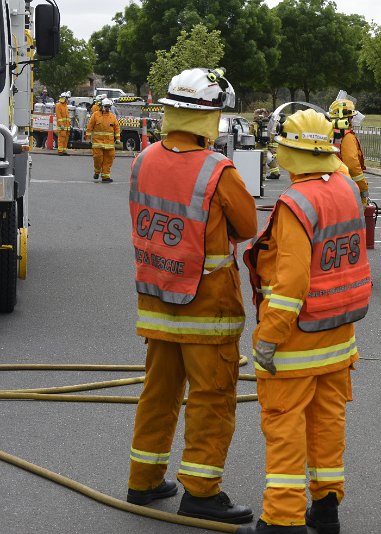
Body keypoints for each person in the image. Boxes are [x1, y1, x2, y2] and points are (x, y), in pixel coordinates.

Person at [126, 67, 257, 525]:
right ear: (210, 118)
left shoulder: (142, 160)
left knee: (158, 393)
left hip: (157, 303)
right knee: (211, 398)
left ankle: (142, 480)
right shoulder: (217, 171)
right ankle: (200, 491)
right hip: (207, 310)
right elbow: (247, 227)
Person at [240, 109, 372, 534]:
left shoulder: (297, 202)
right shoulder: (347, 189)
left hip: (297, 339)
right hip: (339, 334)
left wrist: (268, 338)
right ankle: (326, 506)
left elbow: (291, 282)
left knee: (285, 423)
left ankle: (282, 518)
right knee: (328, 421)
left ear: (290, 152)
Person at [330, 97, 370, 205]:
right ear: (346, 118)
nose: (353, 120)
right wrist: (363, 188)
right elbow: (352, 166)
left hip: (329, 185)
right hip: (346, 188)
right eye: (351, 117)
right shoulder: (347, 137)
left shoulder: (327, 132)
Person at [86, 98, 120, 182]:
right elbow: (90, 126)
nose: (107, 108)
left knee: (109, 159)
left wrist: (118, 139)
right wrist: (87, 138)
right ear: (102, 106)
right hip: (98, 143)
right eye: (106, 106)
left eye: (109, 107)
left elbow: (117, 128)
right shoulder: (95, 115)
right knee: (98, 158)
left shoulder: (112, 116)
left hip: (109, 144)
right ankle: (97, 171)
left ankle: (105, 176)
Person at [55, 92, 71, 156]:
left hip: (67, 126)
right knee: (61, 139)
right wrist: (61, 124)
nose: (67, 100)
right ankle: (60, 151)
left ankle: (64, 150)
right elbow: (59, 116)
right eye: (67, 98)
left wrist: (69, 124)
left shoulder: (66, 105)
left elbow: (67, 116)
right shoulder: (58, 105)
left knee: (66, 139)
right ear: (64, 98)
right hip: (62, 126)